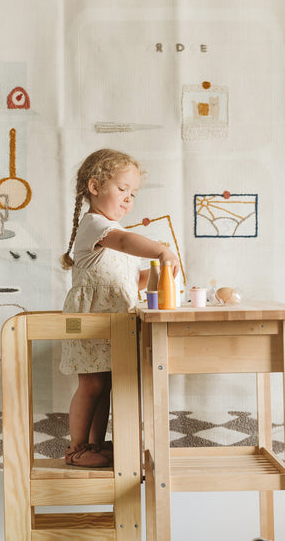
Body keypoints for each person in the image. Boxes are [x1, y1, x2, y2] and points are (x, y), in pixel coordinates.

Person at [59, 148, 179, 467]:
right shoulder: (95, 225)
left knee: (106, 384)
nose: (128, 199)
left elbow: (131, 280)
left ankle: (94, 445)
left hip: (112, 322)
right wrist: (161, 251)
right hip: (90, 320)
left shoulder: (114, 232)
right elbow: (125, 243)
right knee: (92, 384)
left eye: (133, 194)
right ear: (95, 187)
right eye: (122, 189)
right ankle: (76, 448)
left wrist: (161, 272)